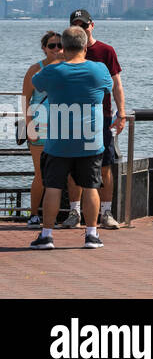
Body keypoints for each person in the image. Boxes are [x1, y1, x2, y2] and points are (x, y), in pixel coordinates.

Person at [29, 26, 112, 250]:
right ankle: (92, 235)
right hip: (90, 140)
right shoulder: (99, 70)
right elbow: (108, 88)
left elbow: (36, 83)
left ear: (63, 47)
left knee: (54, 186)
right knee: (91, 186)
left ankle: (46, 235)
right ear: (85, 46)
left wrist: (58, 60)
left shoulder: (53, 71)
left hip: (58, 141)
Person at [69, 10, 124, 229]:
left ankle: (106, 213)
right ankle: (74, 212)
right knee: (72, 167)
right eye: (76, 25)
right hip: (72, 117)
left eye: (85, 25)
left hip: (102, 117)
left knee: (105, 166)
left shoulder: (106, 51)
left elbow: (117, 84)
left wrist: (122, 114)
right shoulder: (66, 51)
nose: (81, 29)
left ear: (92, 25)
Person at [21, 31, 82, 228]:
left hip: (65, 128)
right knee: (40, 174)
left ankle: (73, 214)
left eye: (60, 45)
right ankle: (34, 215)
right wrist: (30, 126)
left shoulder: (71, 68)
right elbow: (25, 100)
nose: (56, 49)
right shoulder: (35, 70)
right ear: (44, 48)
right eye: (51, 46)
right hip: (40, 128)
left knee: (72, 174)